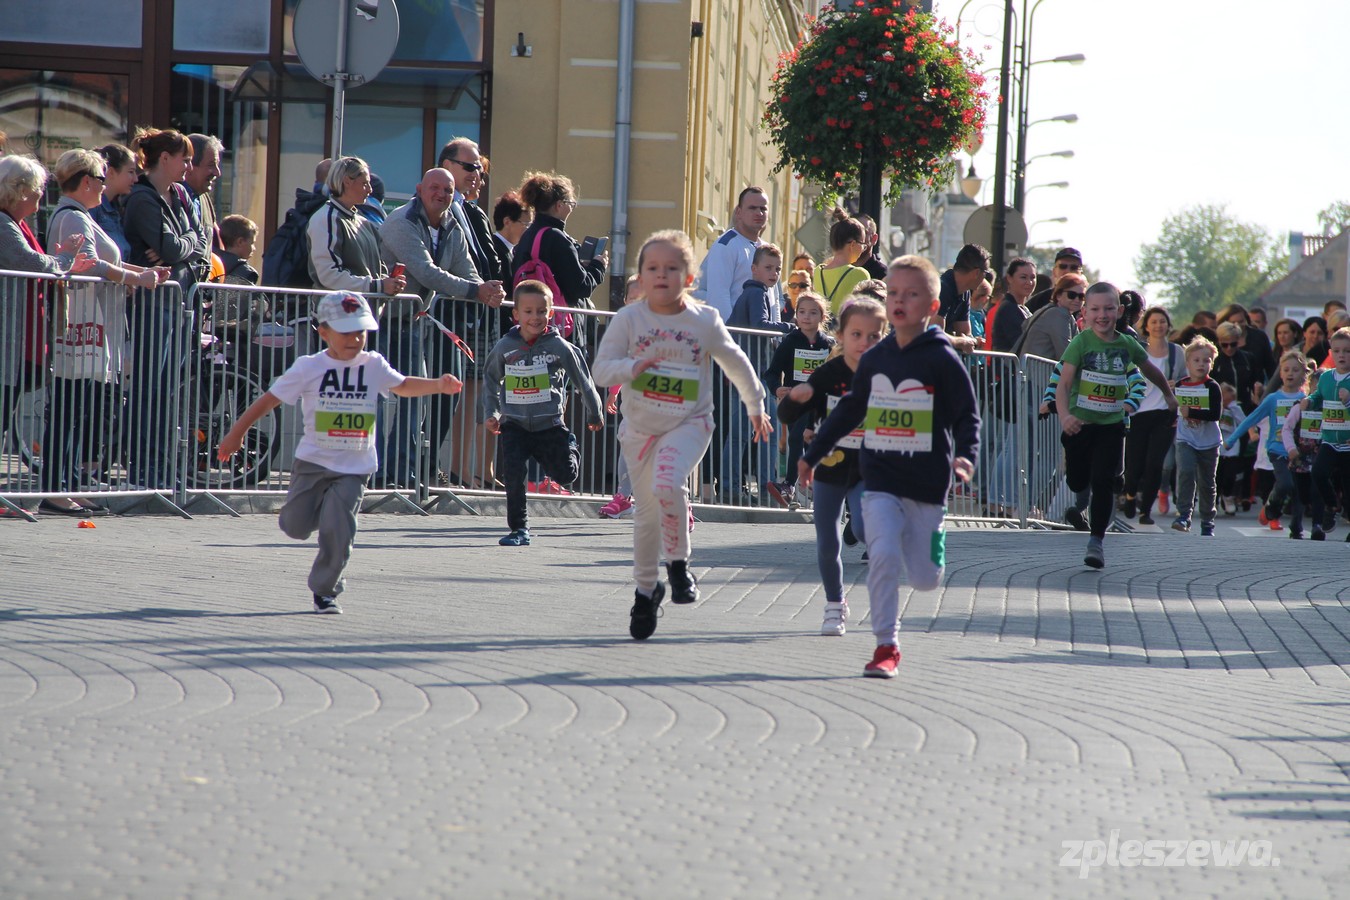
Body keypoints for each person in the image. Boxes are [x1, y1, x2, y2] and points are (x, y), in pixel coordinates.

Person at [216, 291, 462, 614]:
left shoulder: (372, 364)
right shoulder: (308, 367)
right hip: (313, 462)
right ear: (324, 332)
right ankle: (321, 509)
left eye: (360, 331)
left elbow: (402, 385)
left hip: (355, 467)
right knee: (294, 526)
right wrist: (236, 433)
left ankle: (326, 590)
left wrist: (437, 385)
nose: (355, 338)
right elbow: (269, 400)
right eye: (345, 331)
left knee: (340, 529)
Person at [798, 256, 979, 678]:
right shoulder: (876, 358)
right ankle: (886, 645)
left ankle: (934, 541)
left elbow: (967, 414)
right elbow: (849, 411)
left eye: (911, 294)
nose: (899, 301)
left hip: (927, 482)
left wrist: (966, 454)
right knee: (880, 555)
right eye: (893, 292)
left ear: (932, 306)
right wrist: (812, 454)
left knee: (925, 578)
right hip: (878, 477)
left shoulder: (940, 357)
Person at [592, 230, 769, 641]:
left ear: (689, 278)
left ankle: (677, 565)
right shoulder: (629, 319)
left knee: (669, 482)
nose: (662, 275)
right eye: (653, 268)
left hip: (688, 424)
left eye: (672, 268)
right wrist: (631, 368)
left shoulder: (703, 321)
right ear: (641, 276)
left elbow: (736, 363)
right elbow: (601, 370)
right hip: (639, 429)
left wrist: (756, 405)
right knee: (646, 516)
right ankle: (645, 590)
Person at [42, 149, 166, 514]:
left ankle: (65, 484)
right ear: (86, 182)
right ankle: (54, 487)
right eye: (100, 178)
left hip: (91, 317)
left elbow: (104, 259)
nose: (103, 185)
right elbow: (90, 264)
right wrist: (136, 277)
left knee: (78, 405)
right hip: (82, 319)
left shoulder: (80, 215)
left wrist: (142, 276)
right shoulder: (73, 216)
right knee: (69, 405)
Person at [380, 167, 505, 488]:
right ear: (420, 189)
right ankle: (380, 472)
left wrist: (487, 290)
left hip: (418, 321)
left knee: (428, 397)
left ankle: (409, 472)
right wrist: (475, 291)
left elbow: (467, 269)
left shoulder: (452, 224)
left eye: (448, 191)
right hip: (383, 321)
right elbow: (426, 272)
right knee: (384, 397)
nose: (441, 195)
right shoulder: (401, 222)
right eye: (434, 188)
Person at [777, 296, 883, 635]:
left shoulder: (886, 373)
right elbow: (787, 415)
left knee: (867, 530)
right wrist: (795, 399)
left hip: (869, 466)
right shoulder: (830, 373)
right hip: (831, 465)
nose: (864, 343)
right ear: (840, 335)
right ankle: (835, 604)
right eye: (856, 335)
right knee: (827, 541)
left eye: (874, 336)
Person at [0, 155, 97, 513]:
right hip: (8, 339)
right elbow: (28, 262)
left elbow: (35, 260)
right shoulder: (2, 222)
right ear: (20, 191)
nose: (41, 198)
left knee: (5, 413)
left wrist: (59, 262)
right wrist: (65, 262)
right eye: (38, 191)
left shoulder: (15, 222)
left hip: (18, 338)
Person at [1056, 283, 1177, 568]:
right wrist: (1065, 416)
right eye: (1095, 309)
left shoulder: (1125, 344)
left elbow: (1151, 370)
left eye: (1109, 309)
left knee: (1103, 481)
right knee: (1077, 480)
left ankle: (1096, 541)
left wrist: (1169, 396)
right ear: (1085, 312)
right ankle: (1080, 492)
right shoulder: (1081, 343)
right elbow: (1063, 384)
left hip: (1111, 425)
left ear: (1120, 311)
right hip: (1079, 425)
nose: (1102, 315)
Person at [480, 280, 603, 546]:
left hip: (549, 424)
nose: (535, 317)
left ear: (551, 313)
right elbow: (490, 379)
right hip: (514, 424)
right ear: (516, 314)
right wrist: (492, 413)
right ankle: (519, 529)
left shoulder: (559, 347)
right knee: (513, 476)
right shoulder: (505, 347)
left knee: (566, 475)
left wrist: (594, 411)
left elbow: (583, 379)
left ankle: (569, 445)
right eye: (528, 311)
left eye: (541, 311)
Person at [724, 243, 789, 503]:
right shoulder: (755, 294)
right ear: (754, 269)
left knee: (761, 432)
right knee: (746, 432)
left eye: (778, 269)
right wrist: (788, 327)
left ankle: (763, 486)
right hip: (751, 374)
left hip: (754, 372)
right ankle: (739, 487)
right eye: (768, 268)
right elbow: (759, 325)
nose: (774, 274)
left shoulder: (756, 293)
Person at [1225, 350, 1309, 535]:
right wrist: (1231, 439)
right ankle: (1271, 506)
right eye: (1286, 369)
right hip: (1277, 449)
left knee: (1299, 490)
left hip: (1300, 451)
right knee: (1285, 484)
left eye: (1295, 370)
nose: (1290, 373)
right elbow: (1251, 419)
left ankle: (1296, 527)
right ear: (1280, 374)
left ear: (1303, 374)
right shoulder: (1273, 399)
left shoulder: (1306, 400)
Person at [762, 292, 833, 509]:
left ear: (822, 316)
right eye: (802, 312)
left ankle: (797, 485)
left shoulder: (829, 344)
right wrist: (777, 388)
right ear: (796, 315)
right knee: (799, 439)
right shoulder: (790, 342)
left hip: (820, 402)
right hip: (795, 400)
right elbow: (771, 373)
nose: (806, 317)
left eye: (813, 312)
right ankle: (798, 484)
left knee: (805, 438)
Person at [1119, 307, 1185, 524]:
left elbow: (1187, 379)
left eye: (1162, 321)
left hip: (1163, 413)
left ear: (1168, 325)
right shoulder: (1138, 350)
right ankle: (1129, 495)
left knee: (1155, 464)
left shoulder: (1177, 352)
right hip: (1138, 412)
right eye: (1154, 322)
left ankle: (1146, 510)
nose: (1158, 325)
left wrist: (1177, 386)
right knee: (1134, 463)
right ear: (1146, 326)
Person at [598, 274, 643, 519]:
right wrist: (613, 395)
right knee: (626, 448)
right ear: (625, 300)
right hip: (632, 409)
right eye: (632, 299)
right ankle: (623, 497)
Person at [1169, 337, 1223, 535]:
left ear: (1212, 363)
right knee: (1185, 473)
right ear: (1188, 363)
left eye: (1206, 360)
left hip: (1208, 442)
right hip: (1186, 439)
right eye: (1196, 360)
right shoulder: (1180, 385)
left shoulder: (1212, 387)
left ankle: (1208, 521)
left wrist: (1190, 412)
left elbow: (1214, 414)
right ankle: (1183, 516)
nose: (1201, 364)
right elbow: (1171, 408)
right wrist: (1168, 390)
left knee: (1207, 483)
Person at [694, 186, 770, 320]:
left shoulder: (766, 249)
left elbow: (774, 299)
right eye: (752, 208)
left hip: (760, 337)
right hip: (736, 335)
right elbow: (719, 296)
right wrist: (730, 335)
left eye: (763, 208)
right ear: (739, 212)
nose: (759, 213)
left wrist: (774, 337)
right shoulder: (726, 245)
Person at [1308, 327, 1350, 539]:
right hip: (1329, 440)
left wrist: (1348, 401)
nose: (1342, 355)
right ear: (1331, 353)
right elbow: (1318, 396)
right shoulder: (1326, 378)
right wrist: (1310, 401)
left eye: (1347, 351)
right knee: (1318, 472)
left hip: (1348, 443)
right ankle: (1332, 506)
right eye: (1337, 351)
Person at [813, 209, 870, 317]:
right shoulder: (860, 274)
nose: (863, 249)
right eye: (863, 244)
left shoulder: (818, 271)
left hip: (821, 331)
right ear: (852, 244)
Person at [91, 143, 136, 260]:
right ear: (111, 172)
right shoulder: (92, 207)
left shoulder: (116, 207)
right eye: (131, 172)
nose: (136, 179)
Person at [935, 243, 990, 336]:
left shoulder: (965, 292)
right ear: (977, 272)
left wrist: (974, 341)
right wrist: (961, 342)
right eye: (985, 273)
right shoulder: (942, 289)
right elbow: (936, 336)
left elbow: (965, 333)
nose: (985, 278)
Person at [1217, 302, 1276, 383]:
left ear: (1247, 320)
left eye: (1241, 321)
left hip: (1255, 387)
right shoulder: (1219, 338)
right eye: (1233, 322)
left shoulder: (1259, 337)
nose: (1237, 325)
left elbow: (1270, 366)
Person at [185, 133, 224, 252]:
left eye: (217, 165)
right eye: (211, 165)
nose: (217, 173)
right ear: (189, 165)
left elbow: (216, 249)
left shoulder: (204, 199)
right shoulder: (168, 197)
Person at [989, 257, 1036, 352]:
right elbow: (1020, 342)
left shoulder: (1023, 308)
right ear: (1009, 278)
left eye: (1033, 277)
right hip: (1006, 366)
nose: (1029, 282)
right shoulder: (1008, 308)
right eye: (1023, 277)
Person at [1216, 383, 1245, 516]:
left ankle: (1228, 497)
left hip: (1232, 448)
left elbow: (1243, 423)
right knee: (1216, 477)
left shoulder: (1235, 408)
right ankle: (1214, 500)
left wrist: (1233, 408)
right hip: (1217, 447)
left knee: (1229, 476)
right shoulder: (1216, 406)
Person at [1026, 247, 1084, 313]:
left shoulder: (1090, 303)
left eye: (1074, 267)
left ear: (1081, 273)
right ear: (1054, 271)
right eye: (1063, 266)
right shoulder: (1039, 301)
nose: (1068, 271)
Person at [856, 213, 887, 280]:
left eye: (864, 233)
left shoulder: (883, 275)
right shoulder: (837, 269)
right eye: (851, 232)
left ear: (874, 239)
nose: (856, 237)